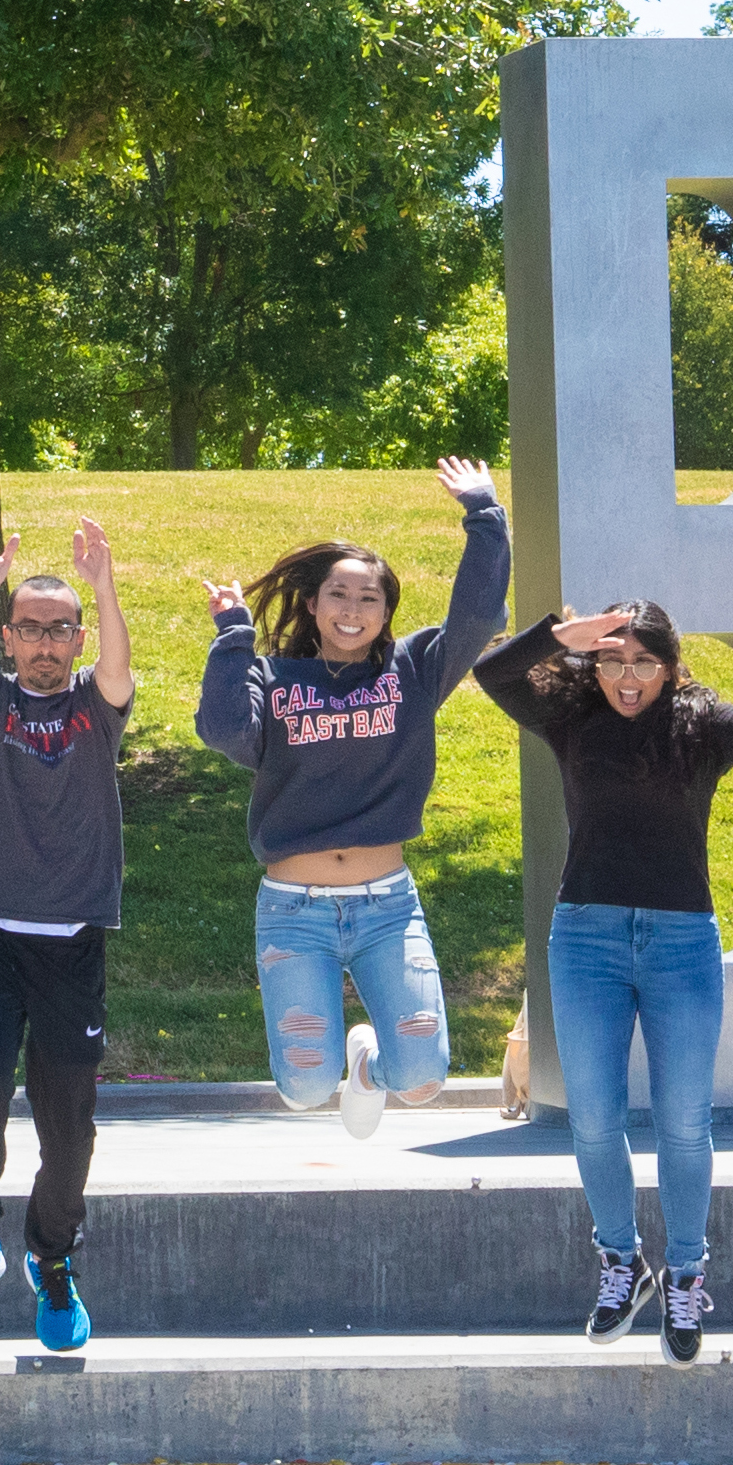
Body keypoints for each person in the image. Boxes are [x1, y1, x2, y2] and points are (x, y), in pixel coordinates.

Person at [476, 590, 733, 1363]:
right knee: (594, 1118)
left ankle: (685, 1272)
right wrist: (554, 636)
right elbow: (490, 674)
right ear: (594, 662)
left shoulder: (699, 723)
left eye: (643, 661)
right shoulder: (571, 715)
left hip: (680, 941)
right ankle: (620, 1259)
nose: (627, 676)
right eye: (612, 661)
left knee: (683, 1121)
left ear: (672, 666)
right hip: (586, 937)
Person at [189, 457, 517, 1134]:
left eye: (371, 598)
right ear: (313, 602)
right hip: (292, 913)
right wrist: (230, 637)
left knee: (423, 1079)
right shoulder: (273, 677)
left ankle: (369, 1067)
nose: (353, 610)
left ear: (387, 612)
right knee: (306, 1089)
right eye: (339, 594)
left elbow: (479, 614)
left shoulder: (414, 670)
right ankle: (338, 1072)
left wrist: (484, 512)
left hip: (387, 909)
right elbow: (223, 730)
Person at [0, 517, 136, 1353]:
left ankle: (53, 1259)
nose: (45, 643)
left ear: (77, 636)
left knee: (70, 1121)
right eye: (30, 627)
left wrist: (105, 582)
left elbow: (123, 665)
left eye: (60, 629)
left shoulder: (96, 704)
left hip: (71, 939)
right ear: (10, 637)